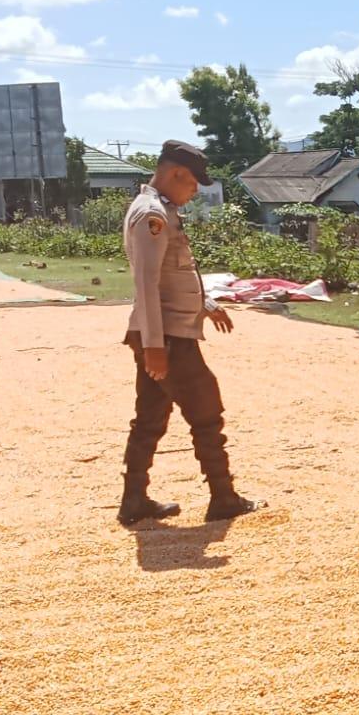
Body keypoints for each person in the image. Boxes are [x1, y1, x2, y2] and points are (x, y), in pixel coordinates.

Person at [117, 139, 263, 526]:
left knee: (150, 417)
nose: (195, 190)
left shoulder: (158, 209)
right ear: (176, 173)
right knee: (206, 412)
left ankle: (134, 500)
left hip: (163, 333)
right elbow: (147, 283)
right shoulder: (152, 214)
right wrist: (155, 346)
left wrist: (205, 304)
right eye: (193, 182)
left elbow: (171, 275)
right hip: (168, 338)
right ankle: (223, 496)